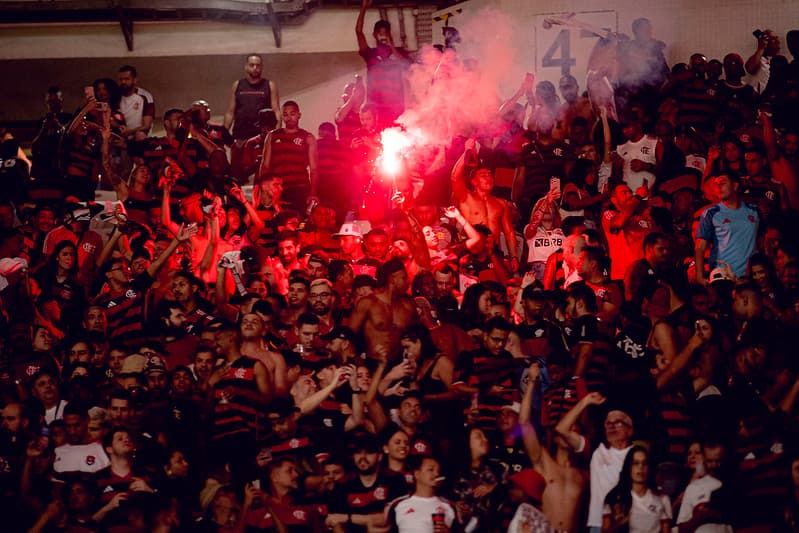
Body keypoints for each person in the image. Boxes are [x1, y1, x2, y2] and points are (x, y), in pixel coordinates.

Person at [355, 0, 411, 128]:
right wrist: (363, 8)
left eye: (385, 33)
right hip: (376, 108)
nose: (382, 36)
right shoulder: (370, 54)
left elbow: (406, 65)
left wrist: (391, 45)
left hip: (396, 107)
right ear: (374, 35)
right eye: (380, 33)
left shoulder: (398, 52)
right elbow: (358, 32)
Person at [695, 173, 760, 282]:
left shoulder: (754, 211)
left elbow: (762, 241)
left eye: (722, 183)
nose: (718, 187)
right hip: (722, 276)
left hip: (750, 276)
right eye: (716, 184)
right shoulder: (711, 213)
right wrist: (699, 275)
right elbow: (700, 247)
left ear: (735, 186)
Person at [224, 53, 280, 176]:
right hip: (240, 137)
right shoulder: (237, 85)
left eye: (258, 65)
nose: (255, 68)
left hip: (261, 138)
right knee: (238, 173)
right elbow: (230, 112)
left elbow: (276, 110)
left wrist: (276, 134)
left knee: (263, 172)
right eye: (252, 65)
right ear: (246, 67)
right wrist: (223, 133)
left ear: (262, 67)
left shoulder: (269, 85)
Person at [259, 101, 318, 213]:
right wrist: (263, 190)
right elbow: (265, 165)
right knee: (278, 219)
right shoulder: (272, 135)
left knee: (299, 219)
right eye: (285, 114)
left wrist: (313, 192)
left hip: (300, 188)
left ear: (299, 115)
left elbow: (314, 169)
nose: (289, 118)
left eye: (292, 114)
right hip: (277, 188)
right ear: (282, 116)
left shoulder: (308, 137)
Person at [602, 445, 672, 533]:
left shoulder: (662, 499)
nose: (640, 467)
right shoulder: (615, 498)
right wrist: (618, 525)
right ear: (629, 467)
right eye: (635, 463)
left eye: (644, 463)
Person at [386, 455, 456, 533]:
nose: (436, 474)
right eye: (431, 470)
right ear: (417, 474)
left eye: (438, 471)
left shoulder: (450, 506)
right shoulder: (398, 505)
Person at [117, 65, 155, 142]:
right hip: (121, 136)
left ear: (135, 80)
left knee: (140, 135)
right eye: (121, 79)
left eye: (126, 79)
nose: (123, 82)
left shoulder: (145, 96)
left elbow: (146, 126)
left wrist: (130, 132)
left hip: (138, 137)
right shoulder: (116, 96)